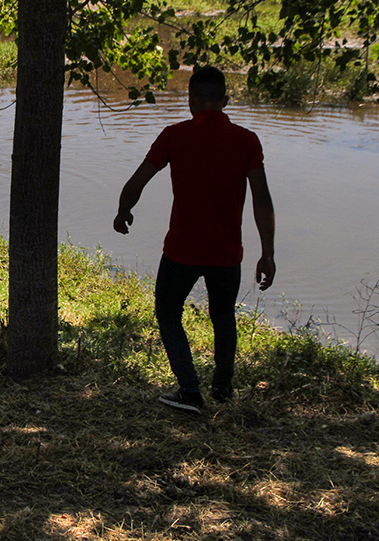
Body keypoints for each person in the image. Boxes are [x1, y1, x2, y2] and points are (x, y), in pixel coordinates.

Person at [113, 65, 275, 414]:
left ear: (191, 101)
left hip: (182, 251)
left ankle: (189, 391)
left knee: (168, 313)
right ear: (226, 101)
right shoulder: (247, 141)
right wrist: (268, 253)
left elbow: (137, 181)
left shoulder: (173, 135)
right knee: (223, 315)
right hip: (227, 253)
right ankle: (222, 388)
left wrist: (123, 211)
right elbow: (262, 199)